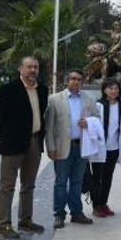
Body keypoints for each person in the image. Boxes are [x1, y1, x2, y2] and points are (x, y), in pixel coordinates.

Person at [0, 56, 47, 239]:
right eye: (29, 67)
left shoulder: (42, 90)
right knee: (7, 186)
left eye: (36, 67)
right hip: (12, 143)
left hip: (34, 141)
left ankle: (25, 220)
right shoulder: (8, 89)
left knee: (29, 185)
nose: (33, 70)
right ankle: (3, 225)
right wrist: (2, 139)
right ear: (20, 69)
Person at [45, 69, 100, 228]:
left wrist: (88, 122)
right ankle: (59, 214)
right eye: (73, 79)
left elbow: (97, 118)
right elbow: (49, 127)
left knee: (77, 181)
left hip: (82, 147)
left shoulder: (89, 99)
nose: (76, 82)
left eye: (79, 79)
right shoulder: (54, 99)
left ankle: (76, 213)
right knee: (61, 182)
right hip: (62, 147)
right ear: (67, 81)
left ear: (82, 82)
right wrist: (50, 147)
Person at [90, 78, 121, 218]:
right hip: (100, 149)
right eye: (110, 88)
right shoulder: (98, 105)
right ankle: (96, 205)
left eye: (116, 88)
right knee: (97, 178)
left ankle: (103, 203)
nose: (114, 91)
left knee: (108, 177)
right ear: (104, 90)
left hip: (114, 148)